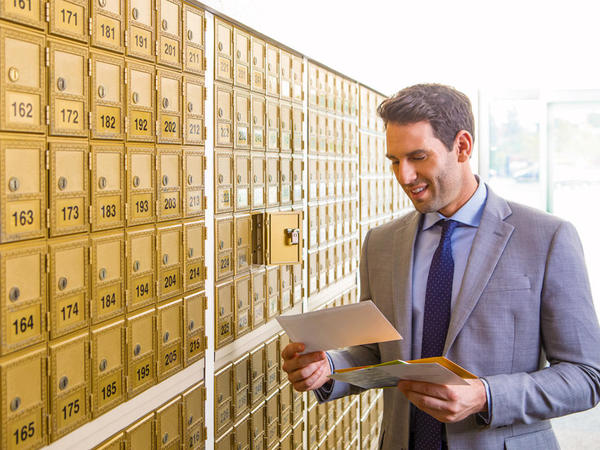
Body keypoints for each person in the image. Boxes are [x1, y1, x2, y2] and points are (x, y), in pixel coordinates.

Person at [281, 84, 600, 449]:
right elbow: (379, 354)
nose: (404, 176)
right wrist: (327, 369)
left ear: (462, 146)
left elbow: (586, 376)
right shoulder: (381, 244)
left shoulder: (546, 238)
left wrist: (485, 395)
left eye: (418, 157)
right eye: (394, 160)